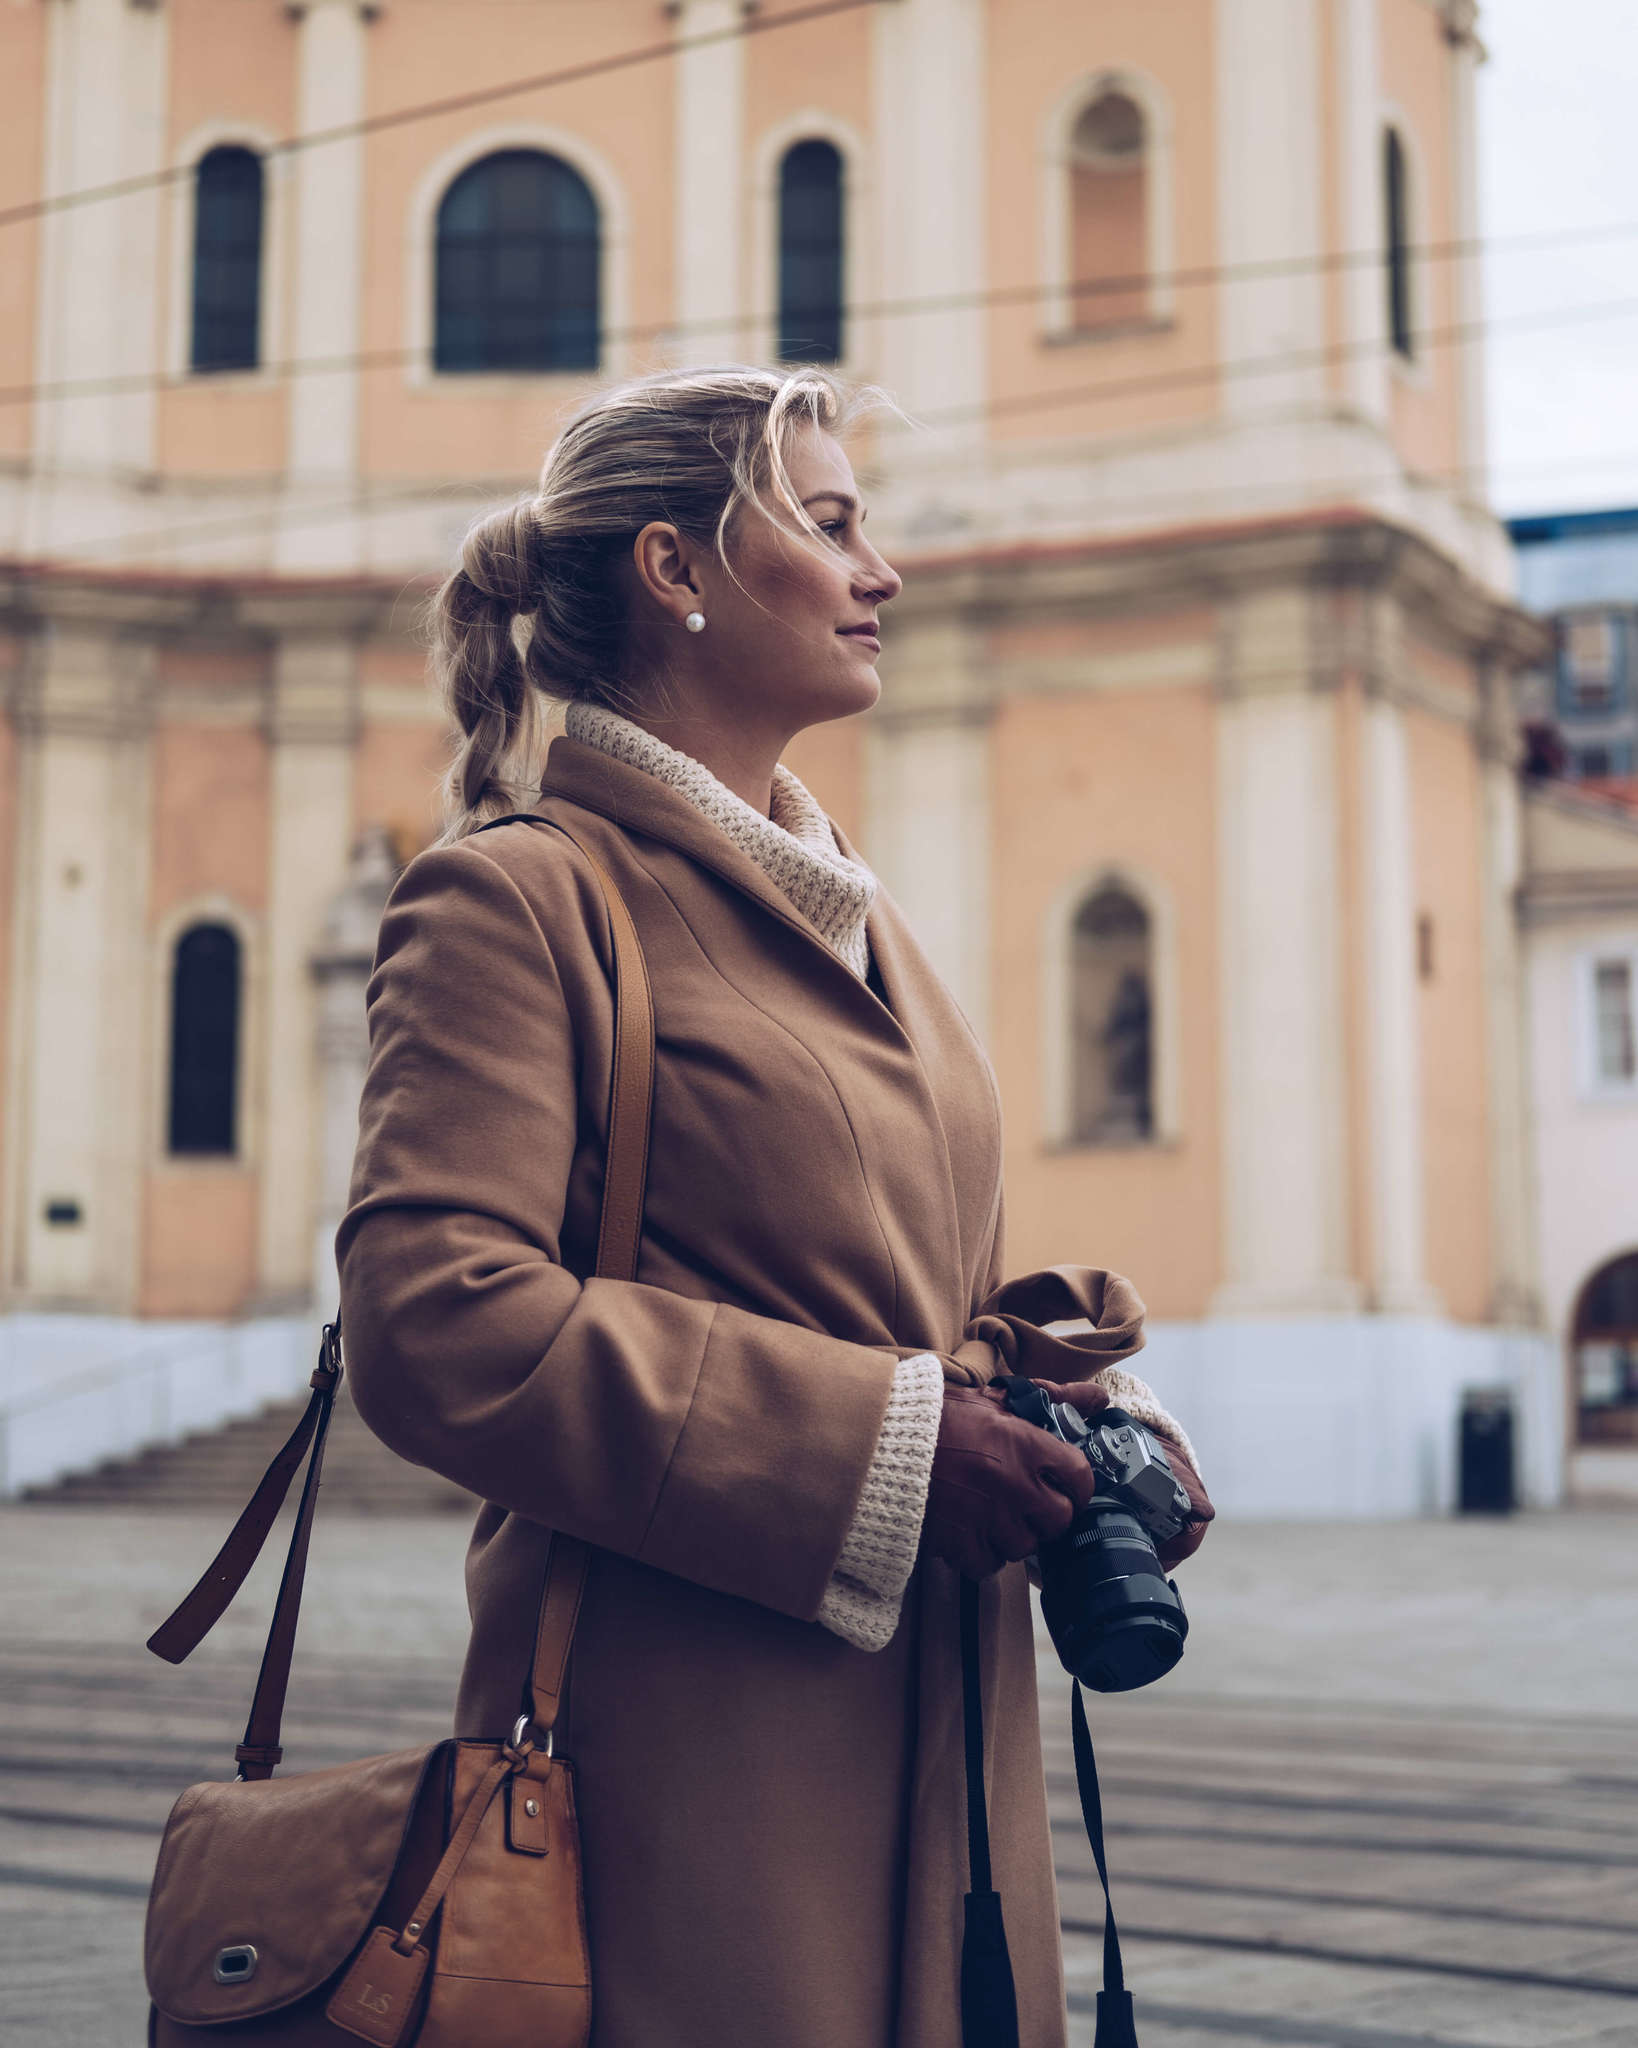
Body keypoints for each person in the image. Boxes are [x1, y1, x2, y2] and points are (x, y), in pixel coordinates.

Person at [337, 365, 1213, 2048]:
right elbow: (435, 1318)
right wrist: (886, 1451)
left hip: (951, 1737)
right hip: (697, 1763)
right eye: (827, 525)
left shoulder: (853, 912)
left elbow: (880, 1280)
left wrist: (1075, 1416)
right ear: (678, 571)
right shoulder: (517, 895)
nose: (880, 569)